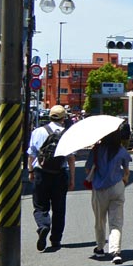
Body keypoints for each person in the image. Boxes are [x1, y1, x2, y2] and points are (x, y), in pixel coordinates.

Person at [26, 105, 76, 251]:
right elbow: (71, 159)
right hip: (60, 174)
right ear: (64, 118)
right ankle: (56, 240)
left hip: (41, 173)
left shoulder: (38, 132)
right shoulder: (66, 134)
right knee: (59, 209)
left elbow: (31, 155)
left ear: (50, 116)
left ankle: (43, 225)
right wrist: (72, 179)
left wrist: (30, 172)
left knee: (40, 205)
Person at [85, 129, 132, 264]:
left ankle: (100, 248)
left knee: (100, 220)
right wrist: (123, 181)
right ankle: (116, 251)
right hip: (117, 187)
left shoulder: (96, 150)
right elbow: (127, 171)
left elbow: (88, 169)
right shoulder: (121, 150)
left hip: (100, 189)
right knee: (116, 221)